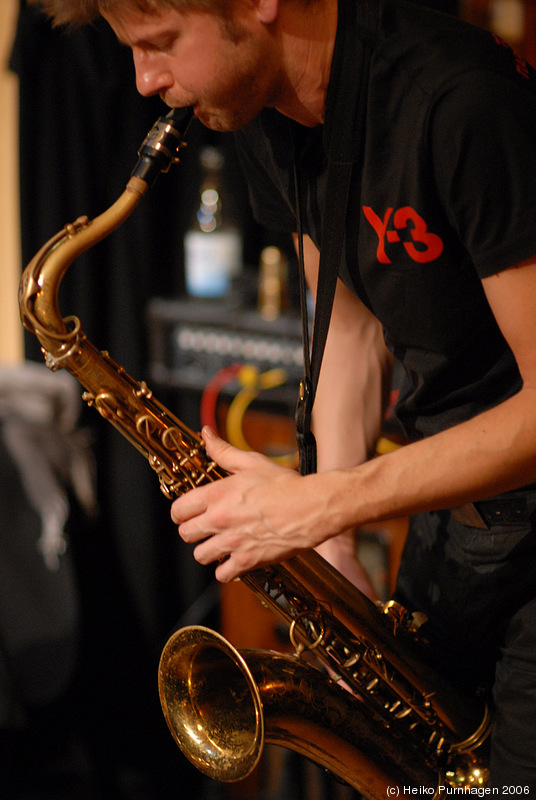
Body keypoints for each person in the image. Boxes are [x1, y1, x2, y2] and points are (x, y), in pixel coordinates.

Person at [30, 0, 536, 792]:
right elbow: (349, 327)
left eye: (160, 43)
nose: (144, 81)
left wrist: (329, 503)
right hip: (457, 532)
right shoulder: (270, 113)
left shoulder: (459, 100)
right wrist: (334, 559)